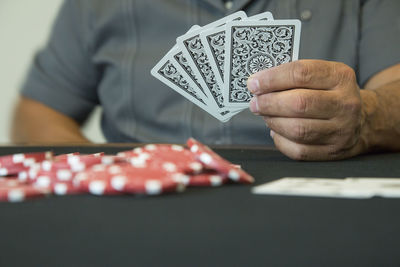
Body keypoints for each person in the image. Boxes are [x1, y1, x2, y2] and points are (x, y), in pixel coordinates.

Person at [11, 0, 400, 161]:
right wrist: (103, 171)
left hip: (312, 211)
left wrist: (366, 117)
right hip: (145, 218)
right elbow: (36, 112)